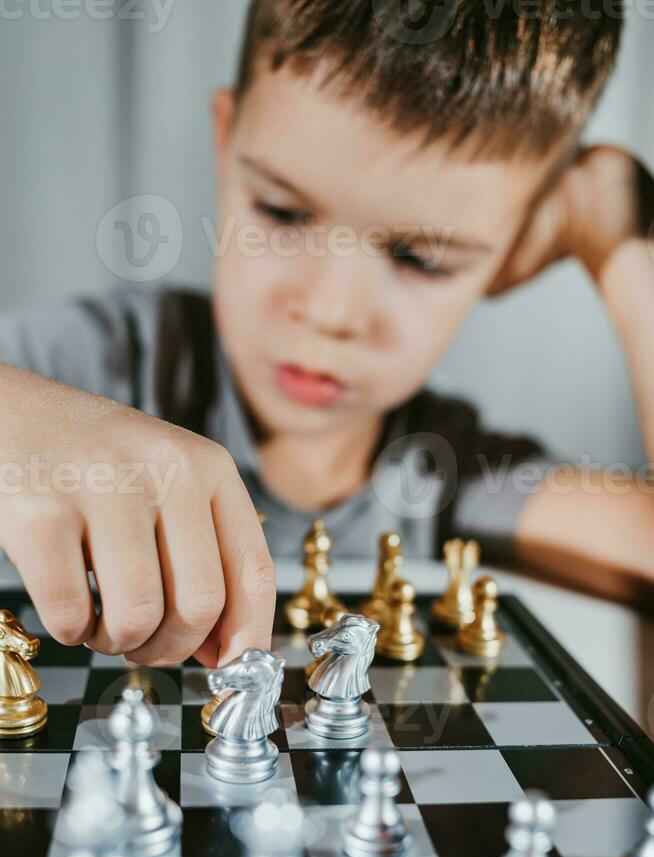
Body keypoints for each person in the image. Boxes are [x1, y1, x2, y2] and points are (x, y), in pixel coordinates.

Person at [1, 0, 652, 670]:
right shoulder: (84, 366)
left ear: (515, 251)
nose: (329, 308)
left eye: (420, 257)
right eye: (282, 211)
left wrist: (625, 242)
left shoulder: (452, 474)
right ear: (225, 145)